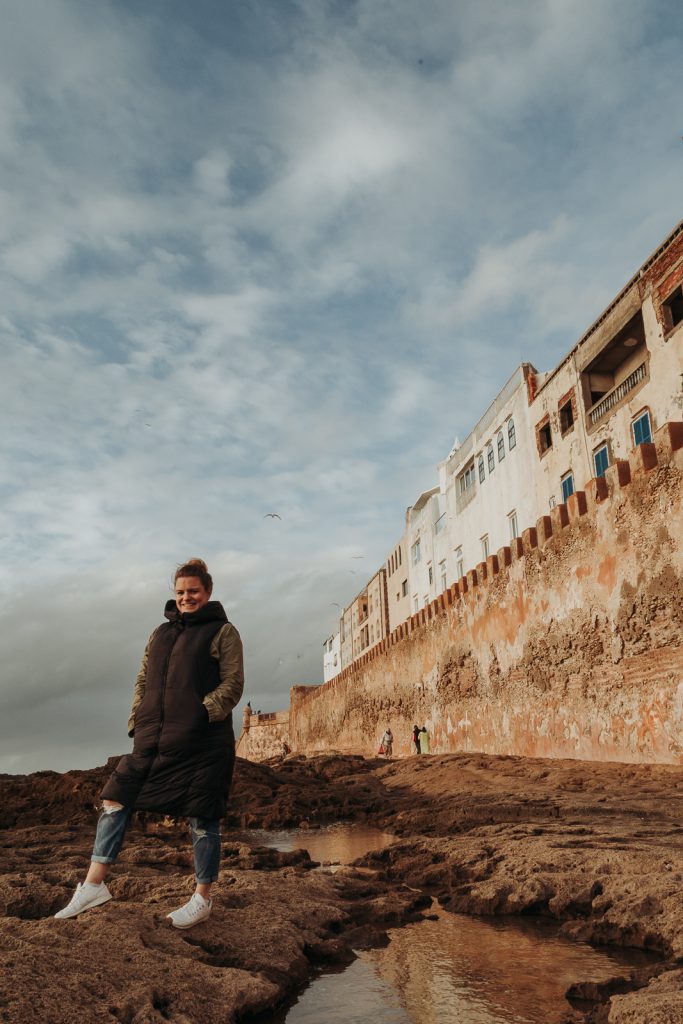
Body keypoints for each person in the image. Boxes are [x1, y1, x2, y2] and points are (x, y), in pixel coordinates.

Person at [54, 558, 244, 929]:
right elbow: (142, 679)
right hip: (153, 739)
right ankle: (93, 886)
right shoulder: (160, 633)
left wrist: (200, 714)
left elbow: (232, 685)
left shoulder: (223, 631)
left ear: (207, 593)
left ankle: (202, 898)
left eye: (193, 591)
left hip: (204, 741)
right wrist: (136, 720)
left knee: (202, 815)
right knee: (115, 796)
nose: (186, 597)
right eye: (180, 592)